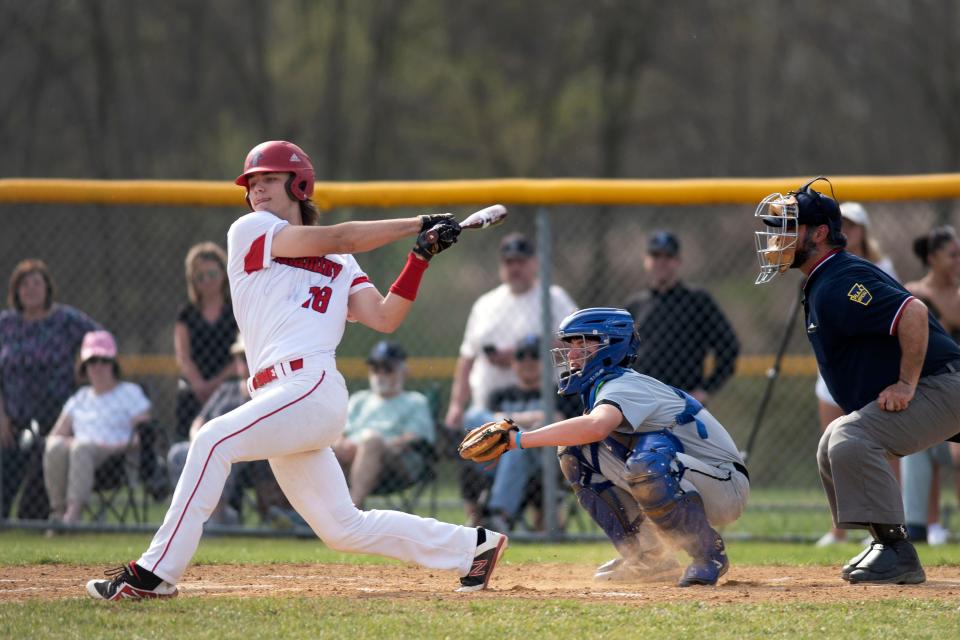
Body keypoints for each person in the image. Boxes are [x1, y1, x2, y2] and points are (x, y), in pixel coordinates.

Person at [86, 140, 506, 601]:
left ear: (299, 183)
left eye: (268, 178)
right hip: (274, 395)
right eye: (252, 183)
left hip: (311, 385)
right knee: (343, 528)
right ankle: (473, 548)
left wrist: (419, 256)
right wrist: (419, 223)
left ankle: (154, 573)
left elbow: (385, 316)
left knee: (210, 441)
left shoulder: (343, 263)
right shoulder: (250, 230)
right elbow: (339, 237)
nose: (257, 189)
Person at [753, 177, 960, 584]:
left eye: (790, 228)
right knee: (834, 441)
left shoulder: (838, 280)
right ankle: (885, 542)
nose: (778, 239)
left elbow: (913, 313)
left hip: (945, 383)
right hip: (944, 385)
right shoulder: (824, 279)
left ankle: (898, 551)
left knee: (850, 438)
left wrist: (905, 384)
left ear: (820, 233)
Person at [493, 308, 748, 586]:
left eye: (584, 343)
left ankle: (708, 554)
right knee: (574, 452)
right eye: (571, 344)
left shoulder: (624, 384)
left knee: (647, 464)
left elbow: (596, 426)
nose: (572, 353)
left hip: (725, 484)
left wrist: (519, 440)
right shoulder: (603, 386)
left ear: (611, 346)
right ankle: (649, 558)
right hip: (688, 476)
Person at [444, 232, 577, 523]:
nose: (514, 267)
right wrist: (456, 405)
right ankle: (482, 515)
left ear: (534, 263)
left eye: (520, 260)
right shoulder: (485, 304)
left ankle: (502, 515)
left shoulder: (552, 298)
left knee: (518, 442)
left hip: (539, 404)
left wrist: (521, 351)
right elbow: (467, 359)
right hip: (489, 407)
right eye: (508, 261)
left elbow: (577, 341)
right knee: (476, 425)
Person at [814, 202, 901, 547]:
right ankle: (838, 528)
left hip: (869, 370)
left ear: (863, 231)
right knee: (832, 445)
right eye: (842, 225)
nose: (846, 231)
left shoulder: (880, 268)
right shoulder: (821, 270)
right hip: (835, 367)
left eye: (853, 225)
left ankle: (888, 525)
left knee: (881, 447)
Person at [0, 259, 100, 520]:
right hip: (12, 418)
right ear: (15, 291)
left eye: (36, 282)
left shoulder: (65, 319)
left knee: (31, 505)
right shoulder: (6, 324)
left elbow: (100, 341)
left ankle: (31, 520)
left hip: (57, 417)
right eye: (24, 284)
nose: (30, 289)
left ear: (47, 288)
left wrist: (83, 371)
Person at [166, 334, 295, 526]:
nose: (244, 362)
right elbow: (200, 420)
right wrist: (198, 440)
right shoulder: (226, 390)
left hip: (244, 453)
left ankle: (216, 516)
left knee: (226, 449)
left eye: (249, 356)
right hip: (207, 444)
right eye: (241, 357)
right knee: (177, 453)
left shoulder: (268, 393)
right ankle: (189, 515)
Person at [468, 335, 581, 533]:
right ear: (513, 363)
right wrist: (533, 420)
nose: (528, 361)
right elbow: (487, 423)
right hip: (498, 458)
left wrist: (508, 421)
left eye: (534, 356)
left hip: (545, 461)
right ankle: (488, 519)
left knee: (515, 445)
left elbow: (559, 420)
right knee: (474, 417)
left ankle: (499, 517)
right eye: (521, 356)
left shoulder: (561, 392)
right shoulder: (499, 395)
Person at [43, 331, 151, 525]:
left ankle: (72, 518)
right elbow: (56, 434)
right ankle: (58, 513)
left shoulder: (130, 392)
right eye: (92, 361)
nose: (99, 366)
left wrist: (112, 447)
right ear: (84, 366)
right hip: (74, 458)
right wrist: (66, 442)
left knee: (81, 448)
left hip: (114, 461)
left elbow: (143, 437)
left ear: (113, 363)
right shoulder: (79, 398)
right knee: (55, 446)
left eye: (104, 360)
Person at [624, 230, 739, 406]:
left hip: (683, 401)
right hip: (642, 401)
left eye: (667, 256)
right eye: (655, 255)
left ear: (677, 261)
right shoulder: (635, 305)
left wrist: (705, 389)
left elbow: (729, 347)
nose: (661, 262)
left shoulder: (697, 301)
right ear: (646, 260)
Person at [899, 225, 960, 545]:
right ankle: (917, 529)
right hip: (930, 394)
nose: (958, 261)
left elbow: (951, 318)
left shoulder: (934, 297)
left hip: (956, 396)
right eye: (952, 255)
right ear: (933, 258)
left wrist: (933, 295)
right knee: (916, 447)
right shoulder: (912, 293)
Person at [332, 341, 435, 509]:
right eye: (375, 368)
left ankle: (351, 511)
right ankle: (295, 512)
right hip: (351, 457)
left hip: (395, 463)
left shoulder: (415, 401)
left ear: (403, 371)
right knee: (322, 443)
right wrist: (340, 443)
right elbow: (341, 432)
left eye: (387, 368)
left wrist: (372, 446)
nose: (380, 374)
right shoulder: (359, 400)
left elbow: (414, 437)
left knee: (371, 442)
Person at [174, 242, 238, 440]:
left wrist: (216, 384)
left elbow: (243, 355)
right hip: (194, 390)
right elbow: (183, 357)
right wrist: (199, 385)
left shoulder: (235, 310)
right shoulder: (187, 314)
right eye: (200, 277)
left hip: (230, 386)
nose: (207, 281)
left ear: (223, 274)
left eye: (212, 274)